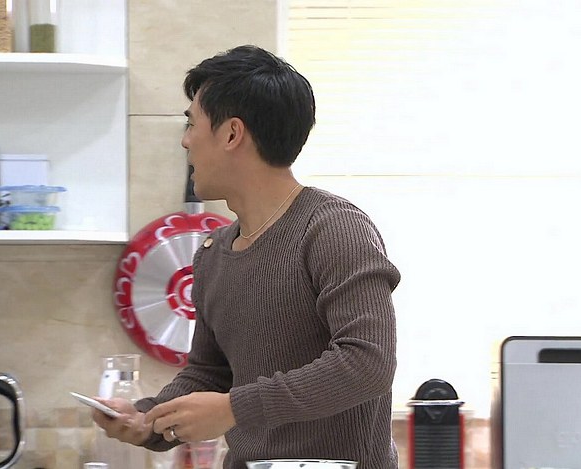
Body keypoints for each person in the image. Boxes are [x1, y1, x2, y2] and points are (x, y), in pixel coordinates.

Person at [92, 44, 401, 469]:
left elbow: (368, 362)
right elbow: (209, 374)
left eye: (192, 123)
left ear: (232, 134)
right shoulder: (213, 254)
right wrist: (148, 418)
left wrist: (235, 408)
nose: (185, 140)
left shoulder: (334, 229)